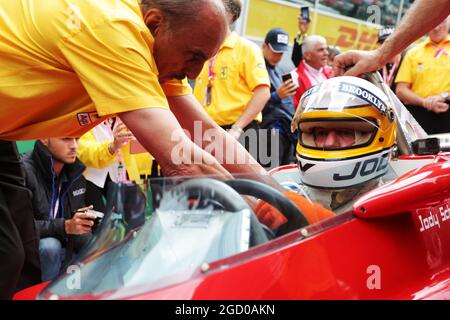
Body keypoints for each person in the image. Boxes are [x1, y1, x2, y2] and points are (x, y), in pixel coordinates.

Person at [0, 0, 329, 297]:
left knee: (26, 259)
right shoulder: (113, 30)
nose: (196, 73)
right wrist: (273, 214)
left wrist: (293, 206)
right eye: (194, 55)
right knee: (6, 255)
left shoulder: (156, 43)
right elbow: (181, 160)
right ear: (155, 22)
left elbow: (208, 135)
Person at [290, 76, 397, 213]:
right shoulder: (290, 195)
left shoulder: (391, 207)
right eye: (321, 133)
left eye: (344, 132)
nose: (329, 143)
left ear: (380, 137)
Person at [193, 0, 271, 153]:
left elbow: (263, 92)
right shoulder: (206, 49)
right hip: (207, 131)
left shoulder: (246, 49)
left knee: (236, 177)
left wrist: (237, 128)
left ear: (229, 16)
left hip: (238, 132)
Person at [22, 138, 95, 281]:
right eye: (66, 139)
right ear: (44, 138)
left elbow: (75, 229)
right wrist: (65, 226)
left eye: (77, 139)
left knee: (95, 245)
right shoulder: (23, 170)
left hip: (64, 248)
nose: (74, 146)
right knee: (50, 247)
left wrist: (83, 228)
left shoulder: (77, 174)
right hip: (30, 252)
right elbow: (20, 228)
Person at [333, 0, 450, 77]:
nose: (436, 28)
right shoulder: (414, 53)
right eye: (382, 42)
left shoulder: (407, 57)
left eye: (387, 41)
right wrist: (379, 55)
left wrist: (379, 55)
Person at [77, 118, 153, 213]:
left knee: (136, 210)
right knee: (97, 219)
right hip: (89, 177)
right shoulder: (84, 116)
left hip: (121, 172)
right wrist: (112, 147)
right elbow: (84, 153)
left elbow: (140, 150)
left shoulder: (125, 116)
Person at [395, 18, 450, 134]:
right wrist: (424, 102)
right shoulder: (413, 53)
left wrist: (443, 97)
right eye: (433, 23)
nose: (436, 28)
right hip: (416, 117)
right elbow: (401, 90)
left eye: (442, 22)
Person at [260, 28, 297, 168]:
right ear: (264, 46)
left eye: (281, 52)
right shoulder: (256, 68)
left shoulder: (280, 71)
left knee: (282, 176)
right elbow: (249, 106)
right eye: (275, 51)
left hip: (286, 132)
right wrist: (276, 96)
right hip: (266, 133)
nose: (278, 56)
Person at [293, 35, 333, 108]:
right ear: (307, 55)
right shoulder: (294, 77)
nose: (326, 53)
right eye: (320, 50)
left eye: (326, 49)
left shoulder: (332, 72)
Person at [376, 27, 403, 92]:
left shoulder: (406, 62)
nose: (388, 46)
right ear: (378, 45)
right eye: (383, 43)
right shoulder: (373, 65)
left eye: (392, 42)